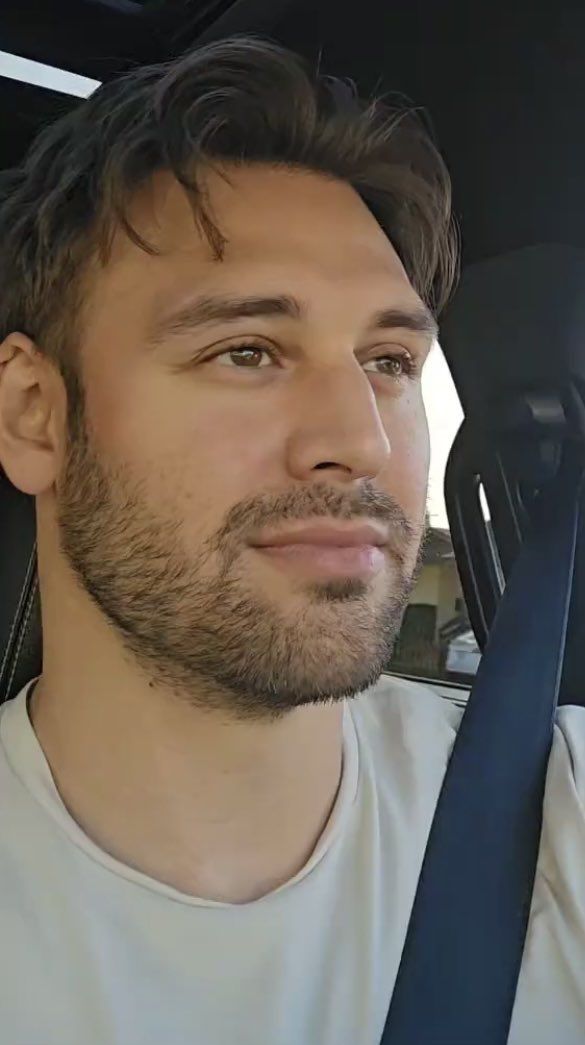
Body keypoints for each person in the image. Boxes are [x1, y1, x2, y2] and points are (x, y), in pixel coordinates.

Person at [0, 35, 583, 1045]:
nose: (358, 440)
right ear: (37, 415)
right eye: (248, 350)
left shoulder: (559, 813)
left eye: (390, 360)